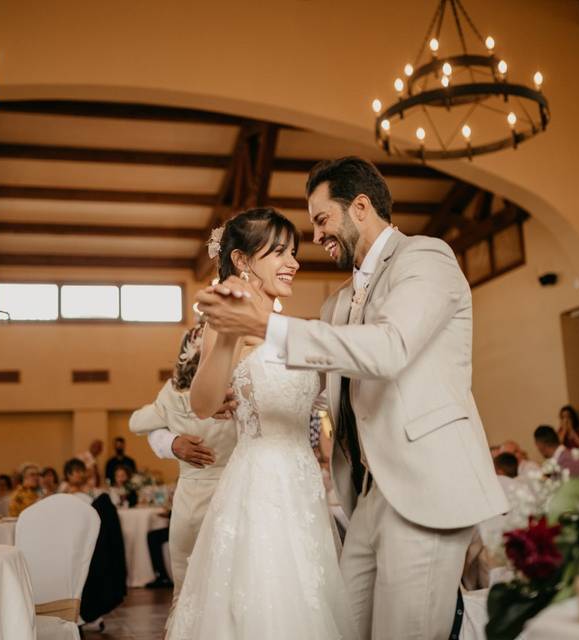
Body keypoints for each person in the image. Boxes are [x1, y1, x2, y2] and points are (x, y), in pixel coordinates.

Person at [196, 158, 507, 639]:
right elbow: (321, 379)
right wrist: (241, 385)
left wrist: (265, 327)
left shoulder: (425, 258)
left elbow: (389, 348)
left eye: (321, 220)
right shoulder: (337, 302)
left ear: (359, 207)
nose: (316, 238)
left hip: (422, 488)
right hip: (364, 497)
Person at [167, 207, 357, 639]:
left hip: (304, 482)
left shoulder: (289, 326)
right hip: (260, 485)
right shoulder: (227, 320)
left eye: (293, 252)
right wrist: (230, 338)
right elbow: (202, 402)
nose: (293, 262)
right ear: (242, 260)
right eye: (279, 253)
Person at [129, 319, 237, 600]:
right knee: (227, 584)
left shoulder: (172, 396)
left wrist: (171, 425)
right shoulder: (233, 393)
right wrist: (171, 443)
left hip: (189, 501)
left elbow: (136, 422)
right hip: (232, 496)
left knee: (185, 589)